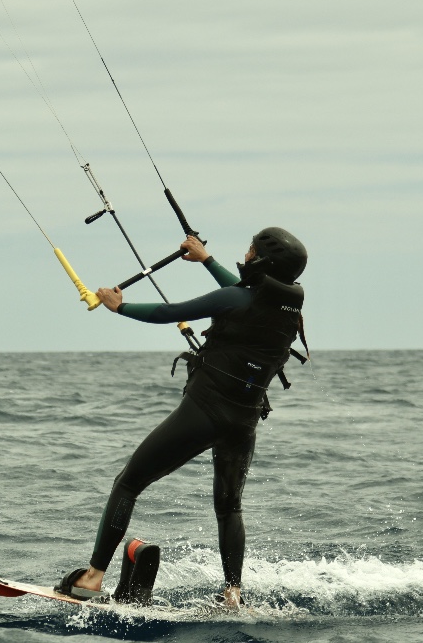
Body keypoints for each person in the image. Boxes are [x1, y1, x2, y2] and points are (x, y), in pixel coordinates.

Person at [56, 228, 308, 608]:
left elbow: (168, 313)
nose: (246, 253)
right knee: (229, 507)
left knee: (128, 483)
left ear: (261, 260)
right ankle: (233, 594)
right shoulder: (287, 310)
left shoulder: (237, 299)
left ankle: (92, 577)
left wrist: (118, 306)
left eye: (250, 249)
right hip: (244, 423)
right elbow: (242, 292)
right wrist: (206, 259)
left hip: (205, 412)